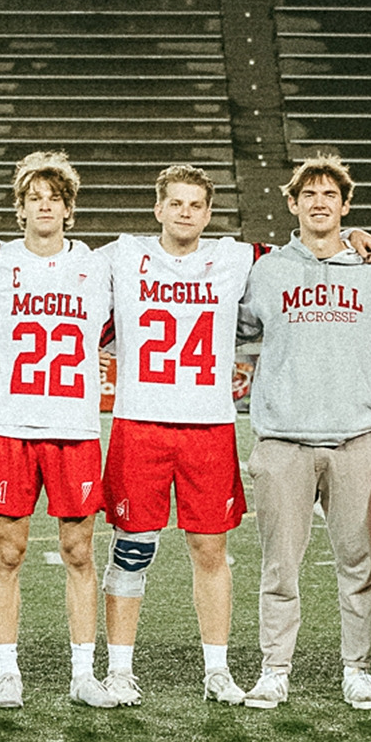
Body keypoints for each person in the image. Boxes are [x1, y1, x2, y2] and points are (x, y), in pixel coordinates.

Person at [90, 166, 259, 706]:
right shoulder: (123, 253)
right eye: (176, 203)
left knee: (210, 548)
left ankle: (217, 669)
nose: (185, 212)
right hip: (140, 423)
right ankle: (120, 669)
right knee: (131, 549)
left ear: (208, 214)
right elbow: (55, 261)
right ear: (158, 208)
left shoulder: (234, 256)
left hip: (209, 426)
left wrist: (356, 238)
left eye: (196, 205)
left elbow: (305, 252)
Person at [238, 153, 371, 710]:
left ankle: (358, 669)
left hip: (355, 436)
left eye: (330, 194)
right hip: (283, 439)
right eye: (309, 194)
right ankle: (274, 669)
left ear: (346, 206)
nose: (319, 203)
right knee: (280, 568)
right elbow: (234, 325)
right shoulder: (267, 270)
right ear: (292, 203)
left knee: (360, 566)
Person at [0, 151, 116, 708]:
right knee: (8, 551)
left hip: (74, 427)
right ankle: (7, 672)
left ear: (69, 209)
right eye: (34, 199)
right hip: (12, 426)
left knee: (78, 551)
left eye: (54, 199)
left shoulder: (98, 266)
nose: (44, 207)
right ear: (20, 208)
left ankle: (83, 673)